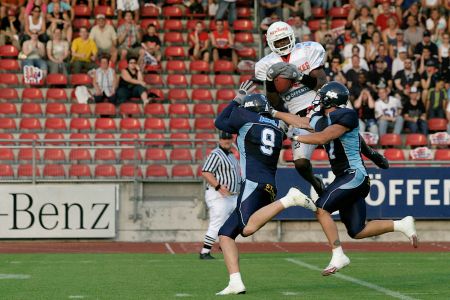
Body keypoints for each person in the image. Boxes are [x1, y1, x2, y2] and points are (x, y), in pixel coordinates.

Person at [271, 81, 418, 276]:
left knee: (321, 208)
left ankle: (338, 254)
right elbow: (303, 122)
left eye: (321, 96)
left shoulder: (346, 115)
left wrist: (296, 138)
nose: (318, 99)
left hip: (354, 175)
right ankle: (402, 224)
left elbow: (323, 137)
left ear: (328, 98)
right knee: (357, 230)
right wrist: (273, 112)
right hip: (347, 177)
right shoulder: (325, 116)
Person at [254, 21, 388, 197]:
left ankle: (369, 152)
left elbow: (321, 84)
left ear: (292, 36)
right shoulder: (266, 64)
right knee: (300, 163)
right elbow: (274, 102)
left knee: (343, 129)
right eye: (278, 42)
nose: (282, 45)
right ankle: (314, 181)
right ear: (270, 43)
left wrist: (299, 76)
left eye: (284, 40)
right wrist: (271, 83)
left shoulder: (307, 50)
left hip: (322, 105)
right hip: (298, 116)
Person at [214, 81, 316, 295]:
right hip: (269, 185)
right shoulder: (278, 128)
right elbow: (287, 122)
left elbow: (221, 122)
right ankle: (235, 282)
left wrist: (236, 99)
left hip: (252, 182)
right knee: (225, 234)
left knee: (246, 229)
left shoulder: (245, 117)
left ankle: (290, 199)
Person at [199, 131, 240, 260]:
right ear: (220, 140)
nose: (227, 141)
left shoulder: (232, 155)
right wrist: (218, 186)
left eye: (229, 138)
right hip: (218, 194)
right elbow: (206, 172)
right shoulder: (216, 154)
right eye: (224, 138)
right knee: (218, 221)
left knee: (236, 221)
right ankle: (205, 251)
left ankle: (225, 244)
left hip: (232, 195)